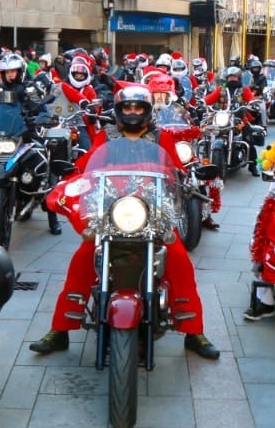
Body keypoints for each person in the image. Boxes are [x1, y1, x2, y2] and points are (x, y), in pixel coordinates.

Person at [28, 84, 221, 361]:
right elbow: (86, 168)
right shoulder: (105, 137)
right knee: (83, 259)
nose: (132, 112)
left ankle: (194, 332)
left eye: (138, 107)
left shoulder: (160, 137)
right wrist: (72, 181)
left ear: (146, 111)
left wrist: (184, 182)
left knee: (179, 260)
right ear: (119, 111)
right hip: (112, 213)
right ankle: (60, 329)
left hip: (153, 213)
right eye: (127, 107)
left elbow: (175, 170)